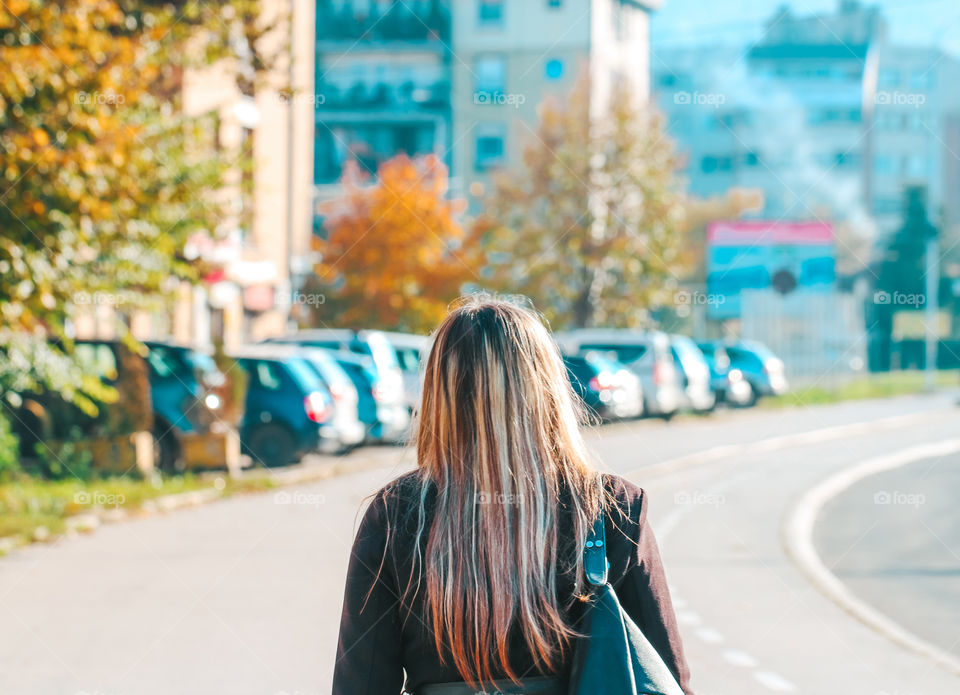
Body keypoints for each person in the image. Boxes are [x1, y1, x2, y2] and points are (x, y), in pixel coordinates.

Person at [333, 296, 693, 695]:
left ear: (439, 394)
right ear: (547, 388)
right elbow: (665, 677)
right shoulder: (610, 508)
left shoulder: (394, 515)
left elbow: (360, 685)